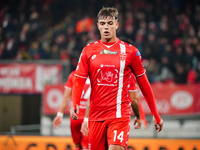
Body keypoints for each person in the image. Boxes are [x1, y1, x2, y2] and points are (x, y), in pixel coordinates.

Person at [70, 7, 163, 150]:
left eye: (109, 23)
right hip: (96, 117)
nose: (106, 27)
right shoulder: (88, 51)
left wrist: (156, 115)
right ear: (98, 26)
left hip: (119, 115)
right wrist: (75, 103)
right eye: (102, 23)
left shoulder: (131, 52)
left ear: (117, 25)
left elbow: (144, 85)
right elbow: (79, 80)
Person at [52, 71, 90, 150]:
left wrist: (60, 114)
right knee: (85, 146)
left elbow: (66, 96)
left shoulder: (73, 75)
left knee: (77, 145)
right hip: (88, 117)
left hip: (75, 116)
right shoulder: (95, 73)